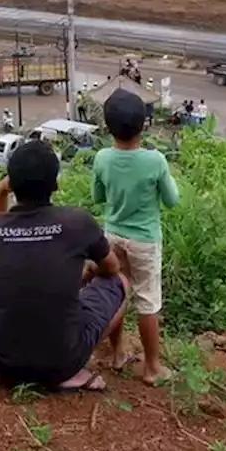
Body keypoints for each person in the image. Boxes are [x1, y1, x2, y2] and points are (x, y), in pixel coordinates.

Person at [0, 140, 129, 392]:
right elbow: (111, 268)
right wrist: (90, 271)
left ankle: (16, 354)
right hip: (63, 362)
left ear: (11, 182)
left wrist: (1, 192)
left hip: (0, 359)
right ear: (55, 184)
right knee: (120, 282)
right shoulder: (76, 222)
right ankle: (82, 360)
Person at [92, 89, 180, 384]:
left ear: (107, 126)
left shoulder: (102, 158)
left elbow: (98, 196)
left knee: (117, 293)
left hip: (113, 235)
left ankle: (117, 353)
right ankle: (152, 367)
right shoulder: (155, 161)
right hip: (144, 239)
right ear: (145, 125)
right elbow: (172, 200)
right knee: (148, 302)